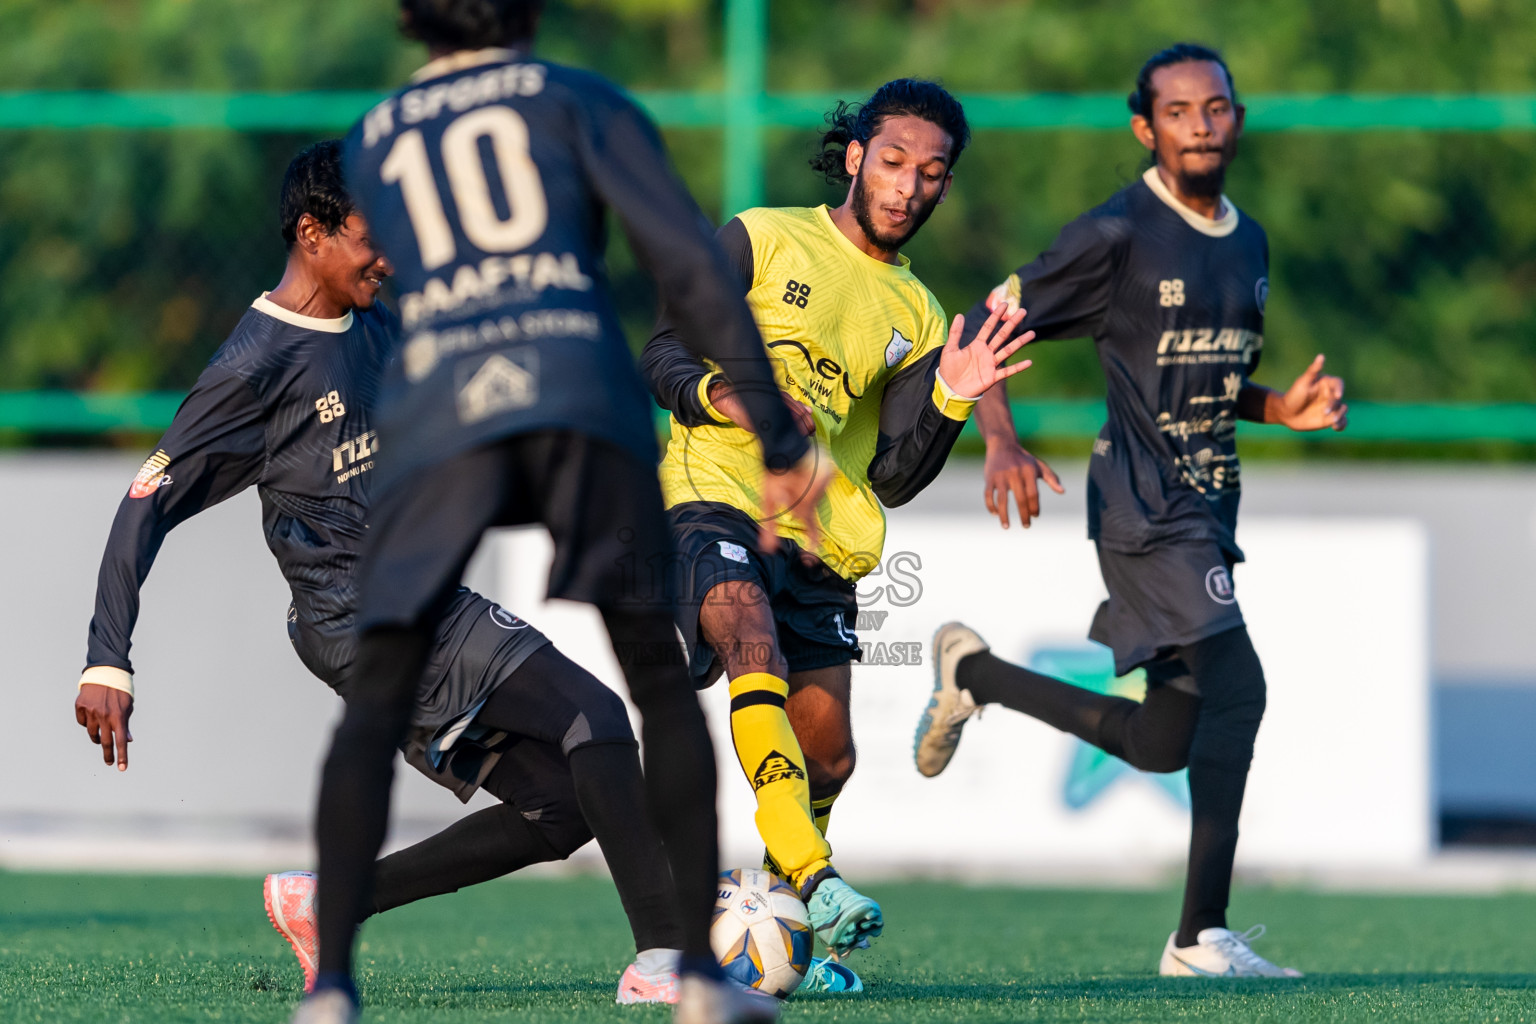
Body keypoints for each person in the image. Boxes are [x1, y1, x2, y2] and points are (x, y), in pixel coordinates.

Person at [306, 3, 830, 1022]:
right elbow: (684, 264)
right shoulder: (580, 99)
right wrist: (776, 434)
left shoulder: (377, 135)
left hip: (442, 409)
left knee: (378, 694)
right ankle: (695, 982)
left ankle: (329, 989)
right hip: (578, 395)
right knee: (659, 688)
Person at [72, 140, 688, 1007]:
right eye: (372, 237)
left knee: (565, 805)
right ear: (312, 233)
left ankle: (334, 901)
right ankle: (664, 957)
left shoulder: (377, 325)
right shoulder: (255, 366)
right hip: (363, 615)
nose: (389, 255)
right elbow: (146, 499)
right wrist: (109, 656)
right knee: (597, 717)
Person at [912, 43, 1348, 978]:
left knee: (1161, 742)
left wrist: (1280, 407)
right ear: (1145, 128)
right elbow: (987, 323)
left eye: (1217, 107)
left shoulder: (1250, 240)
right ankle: (1200, 937)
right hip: (1146, 508)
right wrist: (996, 436)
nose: (1201, 123)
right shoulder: (1115, 235)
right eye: (1179, 110)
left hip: (1208, 502)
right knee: (1243, 690)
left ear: (1236, 119)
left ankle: (978, 674)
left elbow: (1204, 376)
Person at [643, 78, 1030, 994]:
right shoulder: (759, 236)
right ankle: (814, 885)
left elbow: (895, 472)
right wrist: (722, 394)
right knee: (749, 639)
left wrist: (954, 395)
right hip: (713, 486)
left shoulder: (922, 316)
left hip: (820, 530)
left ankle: (782, 937)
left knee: (831, 756)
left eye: (931, 174)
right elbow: (661, 353)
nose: (908, 187)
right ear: (856, 157)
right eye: (893, 162)